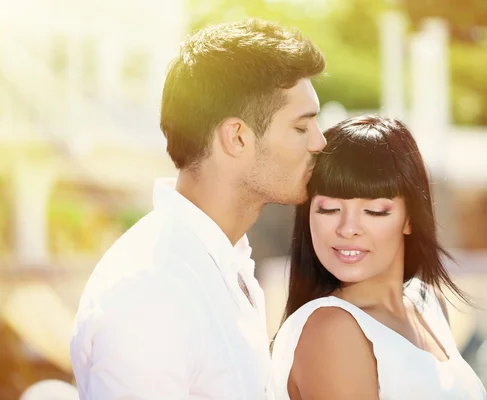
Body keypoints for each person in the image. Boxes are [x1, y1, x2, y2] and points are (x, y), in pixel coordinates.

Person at [70, 18, 326, 399]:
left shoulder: (222, 260)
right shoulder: (153, 290)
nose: (319, 142)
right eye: (301, 127)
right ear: (237, 137)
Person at [268, 115, 487, 399]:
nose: (347, 229)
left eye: (374, 211)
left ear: (410, 218)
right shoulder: (330, 330)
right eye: (329, 209)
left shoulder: (428, 304)